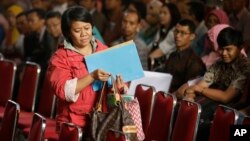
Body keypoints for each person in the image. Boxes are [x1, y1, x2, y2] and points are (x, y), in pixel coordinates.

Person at [46, 6, 125, 138]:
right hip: (73, 123)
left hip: (101, 121)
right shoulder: (60, 57)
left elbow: (110, 93)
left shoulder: (103, 49)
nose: (84, 34)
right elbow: (63, 91)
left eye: (87, 28)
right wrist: (92, 76)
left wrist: (117, 88)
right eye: (77, 30)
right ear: (68, 32)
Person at [178, 27, 250, 140]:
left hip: (230, 107)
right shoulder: (219, 64)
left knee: (203, 123)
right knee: (183, 110)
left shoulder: (245, 67)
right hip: (213, 102)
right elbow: (200, 85)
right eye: (221, 49)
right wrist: (190, 96)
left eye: (228, 49)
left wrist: (199, 89)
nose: (224, 53)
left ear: (240, 48)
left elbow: (226, 97)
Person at [163, 19, 206, 93]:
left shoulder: (194, 62)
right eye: (176, 31)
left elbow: (188, 89)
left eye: (183, 33)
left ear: (192, 36)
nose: (177, 35)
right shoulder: (172, 55)